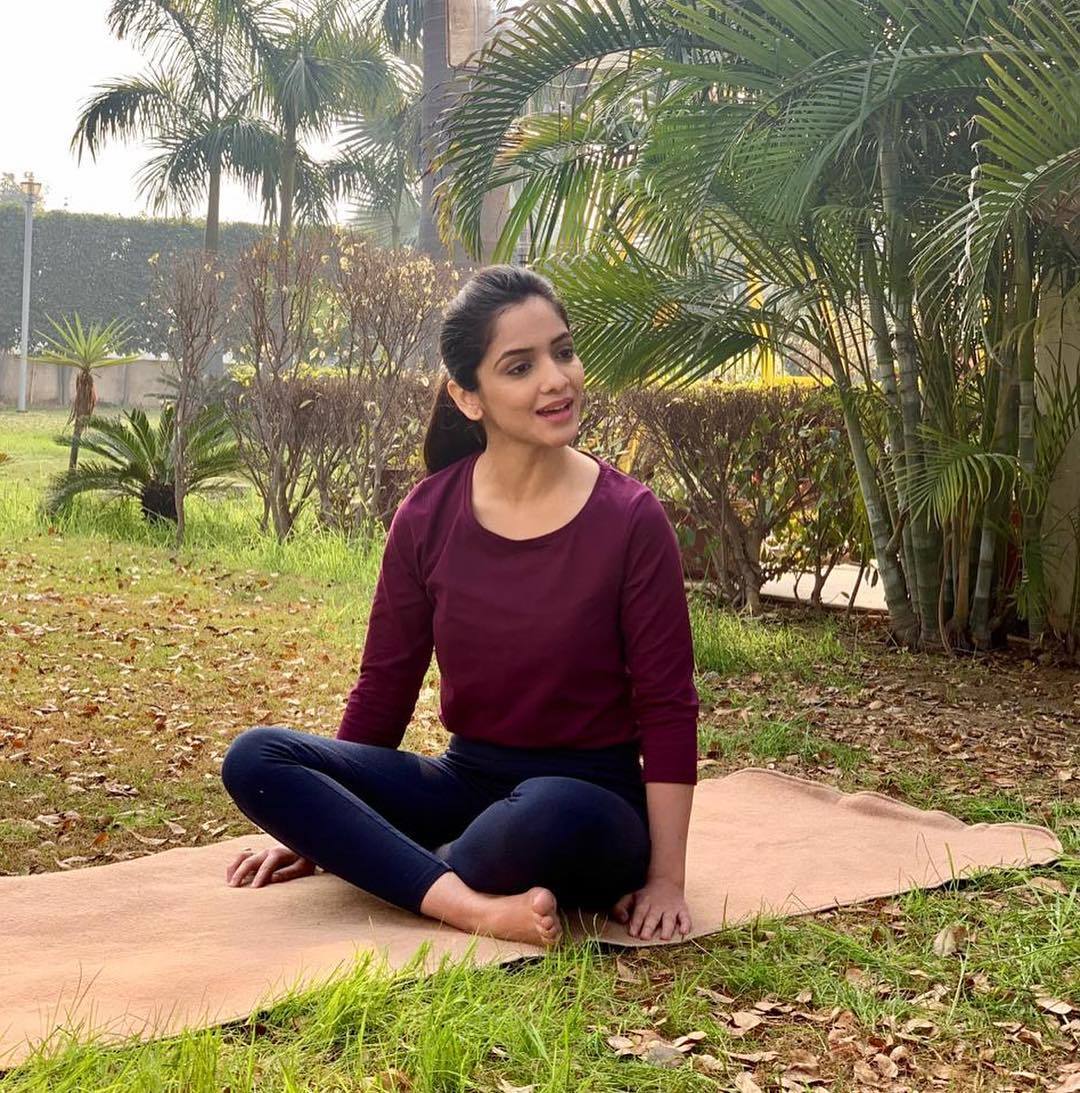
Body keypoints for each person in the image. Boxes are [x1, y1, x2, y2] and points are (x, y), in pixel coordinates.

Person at [220, 265, 699, 948]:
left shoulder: (630, 518)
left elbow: (667, 704)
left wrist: (667, 879)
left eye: (563, 352)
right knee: (256, 759)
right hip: (466, 780)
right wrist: (319, 823)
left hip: (589, 802)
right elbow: (385, 686)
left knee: (540, 816)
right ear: (467, 396)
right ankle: (469, 903)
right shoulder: (427, 515)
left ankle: (407, 866)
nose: (557, 379)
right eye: (520, 366)